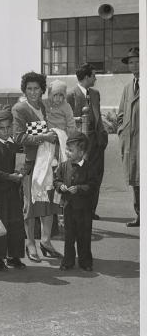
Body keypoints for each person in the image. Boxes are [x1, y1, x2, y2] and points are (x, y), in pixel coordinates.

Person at [12, 71, 62, 263]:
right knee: (30, 205)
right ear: (24, 90)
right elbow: (18, 137)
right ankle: (31, 243)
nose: (33, 92)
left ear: (42, 90)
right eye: (29, 89)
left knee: (48, 203)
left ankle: (46, 242)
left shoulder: (43, 106)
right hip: (31, 163)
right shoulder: (20, 109)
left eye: (36, 88)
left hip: (48, 161)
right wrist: (44, 137)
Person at [0, 109, 26, 270]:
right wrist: (10, 177)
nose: (6, 131)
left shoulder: (15, 145)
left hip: (14, 192)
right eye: (2, 128)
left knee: (16, 223)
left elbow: (21, 164)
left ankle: (14, 256)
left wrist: (22, 171)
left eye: (9, 127)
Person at [67, 64, 108, 220]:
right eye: (93, 75)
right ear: (86, 77)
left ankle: (91, 210)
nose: (95, 78)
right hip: (81, 145)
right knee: (80, 176)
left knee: (96, 176)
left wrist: (103, 136)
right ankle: (81, 210)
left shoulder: (96, 94)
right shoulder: (71, 95)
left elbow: (98, 117)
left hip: (97, 143)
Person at [54, 132, 98, 271]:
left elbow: (93, 185)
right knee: (69, 236)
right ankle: (68, 261)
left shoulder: (89, 167)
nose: (67, 152)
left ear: (81, 152)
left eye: (71, 150)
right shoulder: (63, 166)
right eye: (67, 149)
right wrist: (60, 186)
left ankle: (85, 262)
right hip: (68, 207)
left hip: (84, 209)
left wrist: (78, 188)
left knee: (84, 236)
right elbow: (57, 180)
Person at [117, 47, 140, 227]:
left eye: (137, 61)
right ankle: (139, 215)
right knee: (135, 180)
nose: (133, 65)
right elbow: (120, 114)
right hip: (131, 142)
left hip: (142, 140)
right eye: (131, 62)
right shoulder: (127, 87)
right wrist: (121, 131)